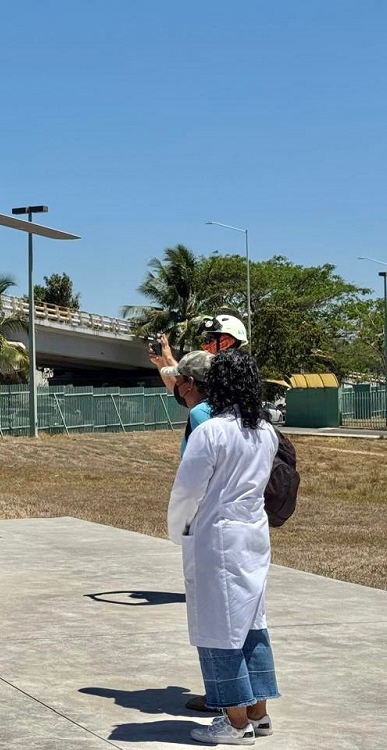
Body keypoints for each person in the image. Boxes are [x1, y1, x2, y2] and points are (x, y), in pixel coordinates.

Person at [168, 349, 280, 745]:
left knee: (218, 629)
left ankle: (234, 724)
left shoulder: (212, 431)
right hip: (253, 535)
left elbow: (187, 492)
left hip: (217, 537)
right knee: (253, 623)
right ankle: (259, 713)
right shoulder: (266, 431)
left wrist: (178, 531)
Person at [151, 314, 247, 394]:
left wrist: (167, 355)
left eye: (208, 340)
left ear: (225, 343)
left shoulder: (227, 372)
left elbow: (186, 388)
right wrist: (160, 362)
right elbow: (181, 392)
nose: (203, 345)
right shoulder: (241, 369)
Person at [161, 350, 214, 457]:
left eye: (179, 380)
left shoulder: (199, 413)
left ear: (190, 383)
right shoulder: (224, 408)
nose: (176, 385)